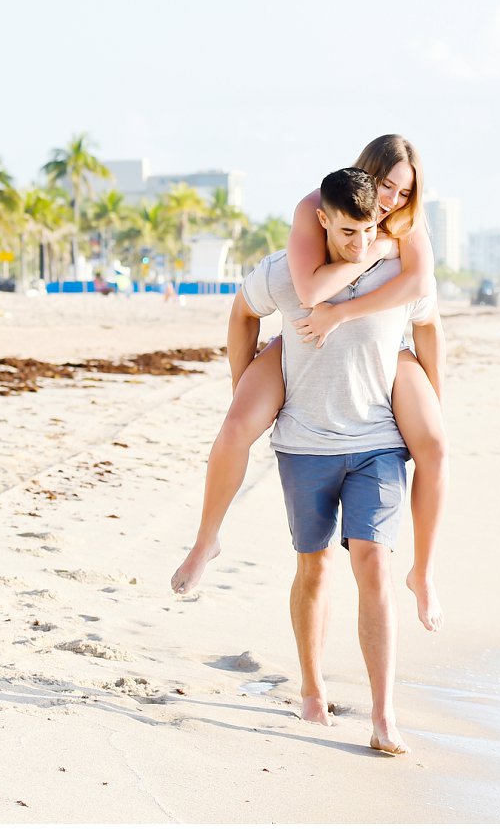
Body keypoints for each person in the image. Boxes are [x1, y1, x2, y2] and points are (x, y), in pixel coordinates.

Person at [170, 134, 449, 636]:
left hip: (386, 346)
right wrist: (245, 383)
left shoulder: (407, 226)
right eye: (386, 186)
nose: (392, 201)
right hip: (301, 341)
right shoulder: (314, 208)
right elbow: (309, 291)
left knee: (435, 444)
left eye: (404, 193)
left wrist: (431, 391)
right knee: (235, 427)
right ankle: (205, 540)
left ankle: (423, 574)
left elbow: (421, 294)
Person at [230, 167, 439, 755]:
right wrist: (248, 382)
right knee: (314, 567)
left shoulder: (402, 268)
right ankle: (313, 689)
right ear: (324, 220)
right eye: (349, 229)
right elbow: (242, 309)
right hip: (306, 443)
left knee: (372, 561)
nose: (361, 239)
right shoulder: (287, 271)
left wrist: (434, 405)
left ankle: (383, 714)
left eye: (370, 227)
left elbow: (428, 328)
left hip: (378, 442)